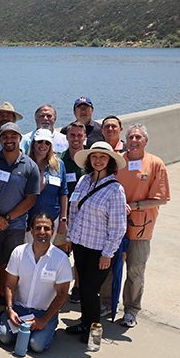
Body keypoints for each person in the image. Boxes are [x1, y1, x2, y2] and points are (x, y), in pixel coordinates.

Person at [102, 124, 170, 328]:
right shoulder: (117, 161)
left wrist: (134, 206)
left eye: (138, 137)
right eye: (130, 137)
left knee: (135, 271)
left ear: (145, 141)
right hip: (113, 226)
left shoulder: (155, 164)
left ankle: (131, 310)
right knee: (109, 269)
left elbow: (161, 198)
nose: (133, 141)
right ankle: (105, 303)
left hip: (141, 228)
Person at [64, 142, 127, 342]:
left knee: (91, 290)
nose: (98, 161)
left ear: (109, 161)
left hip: (100, 250)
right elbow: (74, 211)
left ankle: (92, 330)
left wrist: (107, 254)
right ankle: (85, 322)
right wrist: (70, 238)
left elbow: (118, 226)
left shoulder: (115, 189)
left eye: (102, 157)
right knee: (84, 288)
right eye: (94, 157)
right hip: (81, 244)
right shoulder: (84, 180)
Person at [0, 214, 72, 353]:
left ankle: (48, 329)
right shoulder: (19, 252)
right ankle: (6, 319)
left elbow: (62, 295)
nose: (42, 232)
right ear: (31, 230)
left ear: (52, 231)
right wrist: (10, 309)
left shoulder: (61, 259)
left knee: (36, 345)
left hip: (44, 312)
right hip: (19, 309)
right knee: (5, 338)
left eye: (46, 228)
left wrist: (44, 320)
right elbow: (9, 285)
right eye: (38, 228)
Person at [0, 122, 40, 303]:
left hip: (15, 225)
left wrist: (7, 218)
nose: (9, 140)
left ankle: (10, 301)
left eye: (13, 136)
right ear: (0, 140)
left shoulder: (30, 166)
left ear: (19, 138)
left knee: (12, 264)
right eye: (5, 137)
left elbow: (31, 199)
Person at [26, 129, 68, 241]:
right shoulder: (25, 164)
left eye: (47, 143)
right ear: (33, 143)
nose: (43, 145)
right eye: (40, 141)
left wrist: (63, 219)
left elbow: (63, 193)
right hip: (29, 219)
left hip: (52, 218)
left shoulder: (59, 165)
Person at [61, 121, 87, 303]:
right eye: (72, 135)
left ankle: (77, 287)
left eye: (79, 135)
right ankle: (59, 289)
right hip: (65, 215)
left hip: (85, 217)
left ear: (84, 137)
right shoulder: (60, 160)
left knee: (80, 255)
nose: (76, 139)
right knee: (62, 254)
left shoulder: (91, 160)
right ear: (67, 137)